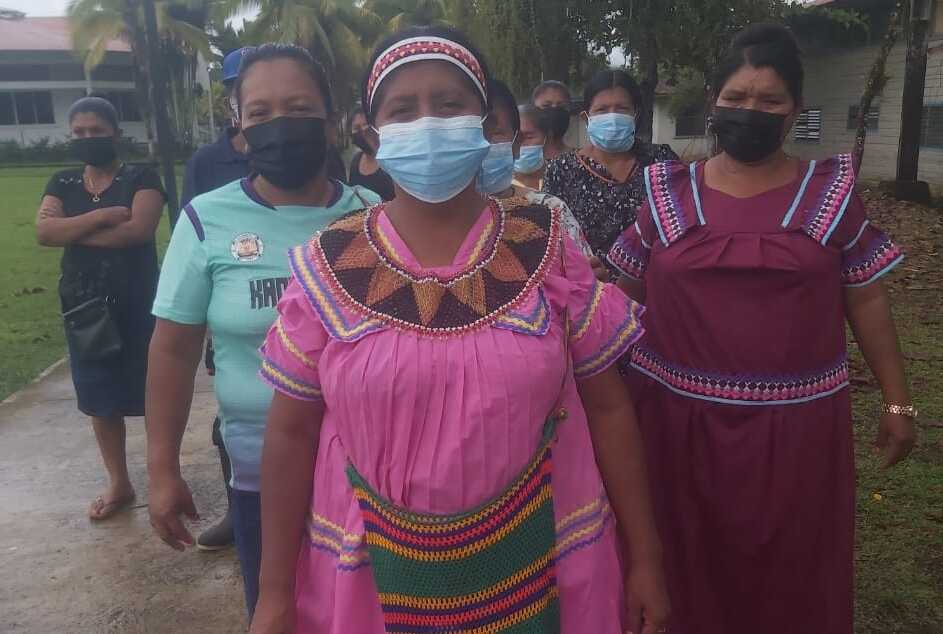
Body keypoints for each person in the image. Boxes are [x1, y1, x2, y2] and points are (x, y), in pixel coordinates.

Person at [250, 26, 669, 634]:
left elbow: (608, 409)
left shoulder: (548, 247)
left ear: (485, 123)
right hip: (370, 579)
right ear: (372, 133)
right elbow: (290, 435)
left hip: (552, 561)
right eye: (403, 109)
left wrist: (646, 559)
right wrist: (273, 594)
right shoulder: (326, 266)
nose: (428, 123)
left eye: (449, 105)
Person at [607, 23, 915, 634]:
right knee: (682, 572)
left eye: (770, 100)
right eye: (738, 97)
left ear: (795, 109)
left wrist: (898, 402)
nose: (751, 111)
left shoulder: (830, 195)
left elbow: (867, 298)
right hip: (674, 429)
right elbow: (620, 300)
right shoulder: (667, 195)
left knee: (789, 576)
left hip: (797, 436)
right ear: (714, 101)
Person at [145, 43, 381, 619]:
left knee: (360, 617)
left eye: (298, 109)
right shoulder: (206, 219)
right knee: (276, 612)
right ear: (241, 129)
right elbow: (173, 352)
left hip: (368, 474)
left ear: (330, 120)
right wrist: (162, 469)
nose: (280, 125)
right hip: (257, 477)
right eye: (259, 113)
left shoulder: (372, 215)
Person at [36, 96, 166, 521]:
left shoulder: (142, 177)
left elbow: (137, 231)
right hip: (85, 306)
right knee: (98, 395)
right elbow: (44, 232)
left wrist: (70, 231)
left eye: (96, 130)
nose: (88, 138)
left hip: (139, 303)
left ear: (115, 133)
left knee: (154, 393)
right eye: (79, 132)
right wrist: (104, 215)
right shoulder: (63, 182)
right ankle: (119, 483)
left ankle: (164, 477)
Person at [179, 45, 253, 553]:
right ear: (231, 98)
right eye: (239, 88)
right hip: (229, 306)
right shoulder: (207, 162)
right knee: (232, 408)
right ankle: (237, 507)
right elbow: (190, 241)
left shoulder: (309, 153)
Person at [543, 69, 677, 273]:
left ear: (636, 114)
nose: (612, 117)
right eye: (602, 109)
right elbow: (551, 240)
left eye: (622, 109)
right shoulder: (561, 170)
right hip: (588, 286)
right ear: (586, 117)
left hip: (656, 283)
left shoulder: (661, 161)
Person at [478, 79, 592, 259]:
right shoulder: (437, 216)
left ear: (517, 143)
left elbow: (583, 270)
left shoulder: (551, 211)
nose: (483, 144)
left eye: (495, 133)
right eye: (474, 133)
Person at [348, 106, 395, 201]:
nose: (363, 131)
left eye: (365, 125)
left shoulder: (391, 160)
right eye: (357, 128)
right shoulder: (356, 161)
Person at [531, 80, 572, 161]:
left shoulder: (581, 160)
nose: (554, 111)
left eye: (561, 107)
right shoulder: (523, 160)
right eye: (546, 106)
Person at [512, 104, 551, 190]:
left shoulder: (560, 178)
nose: (520, 143)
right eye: (515, 138)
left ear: (546, 137)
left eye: (528, 137)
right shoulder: (498, 187)